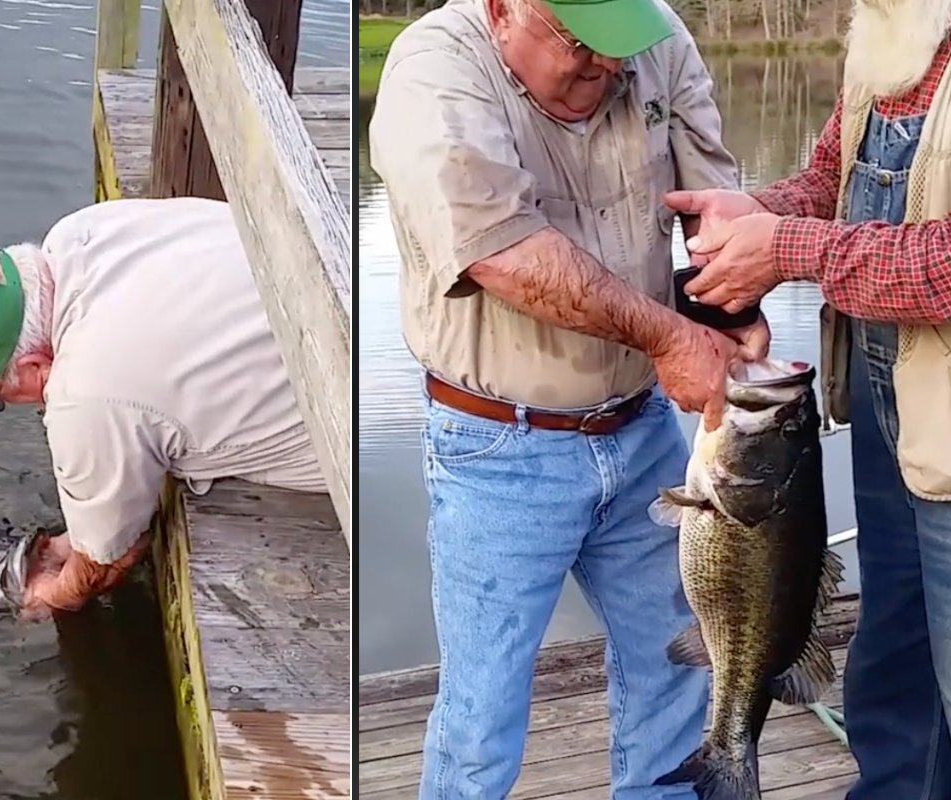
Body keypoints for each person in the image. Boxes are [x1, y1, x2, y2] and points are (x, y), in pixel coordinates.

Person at [368, 0, 766, 796]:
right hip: (499, 451)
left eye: (620, 47)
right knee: (481, 721)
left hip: (645, 427)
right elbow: (505, 252)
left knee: (676, 666)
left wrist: (733, 301)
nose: (606, 67)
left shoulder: (658, 44)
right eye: (581, 44)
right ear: (502, 9)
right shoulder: (433, 70)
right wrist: (669, 338)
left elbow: (713, 199)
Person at [661, 0, 951, 796]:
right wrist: (758, 212)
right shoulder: (886, 42)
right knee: (894, 675)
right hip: (885, 414)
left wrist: (786, 250)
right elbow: (836, 177)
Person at [0, 197, 326, 619]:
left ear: (33, 365)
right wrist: (79, 533)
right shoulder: (85, 232)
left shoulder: (85, 396)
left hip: (351, 429)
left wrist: (50, 595)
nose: (14, 406)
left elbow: (110, 560)